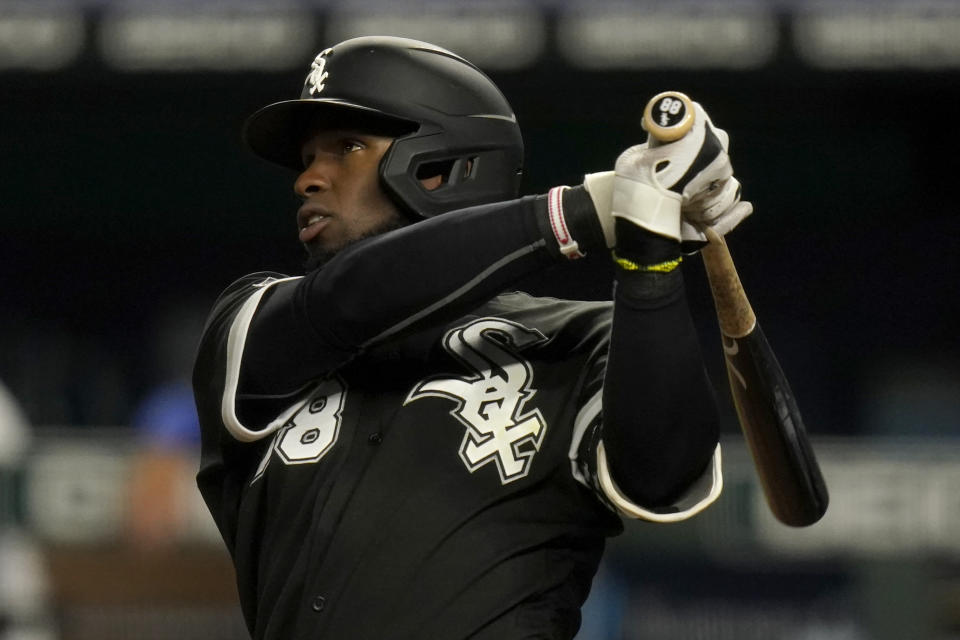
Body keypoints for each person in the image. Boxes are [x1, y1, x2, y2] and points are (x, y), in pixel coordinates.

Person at [192, 36, 752, 639]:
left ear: (440, 168)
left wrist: (649, 261)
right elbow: (350, 300)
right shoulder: (254, 325)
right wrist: (591, 210)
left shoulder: (581, 338)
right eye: (306, 158)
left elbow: (662, 475)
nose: (307, 179)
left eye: (346, 148)